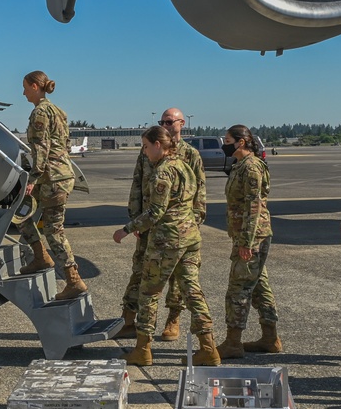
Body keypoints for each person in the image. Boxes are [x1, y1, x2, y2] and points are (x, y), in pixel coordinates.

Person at [113, 126, 218, 367]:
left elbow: (155, 212)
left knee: (149, 293)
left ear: (158, 145)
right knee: (192, 292)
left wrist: (127, 229)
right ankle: (209, 348)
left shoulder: (163, 172)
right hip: (190, 237)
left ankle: (142, 349)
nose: (145, 152)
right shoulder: (184, 166)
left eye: (146, 146)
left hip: (166, 240)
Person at [16, 71, 87, 300]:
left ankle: (73, 279)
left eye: (25, 87)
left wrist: (33, 177)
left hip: (51, 177)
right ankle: (40, 257)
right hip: (58, 175)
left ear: (36, 86)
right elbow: (65, 144)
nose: (23, 92)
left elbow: (41, 148)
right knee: (22, 216)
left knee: (53, 230)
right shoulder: (59, 111)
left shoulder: (40, 112)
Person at [216, 125, 283, 360]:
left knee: (238, 288)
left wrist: (247, 241)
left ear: (241, 142)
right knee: (259, 287)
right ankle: (270, 338)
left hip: (252, 237)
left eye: (228, 140)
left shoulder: (252, 167)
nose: (224, 144)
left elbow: (254, 207)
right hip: (247, 235)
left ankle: (233, 342)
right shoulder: (240, 166)